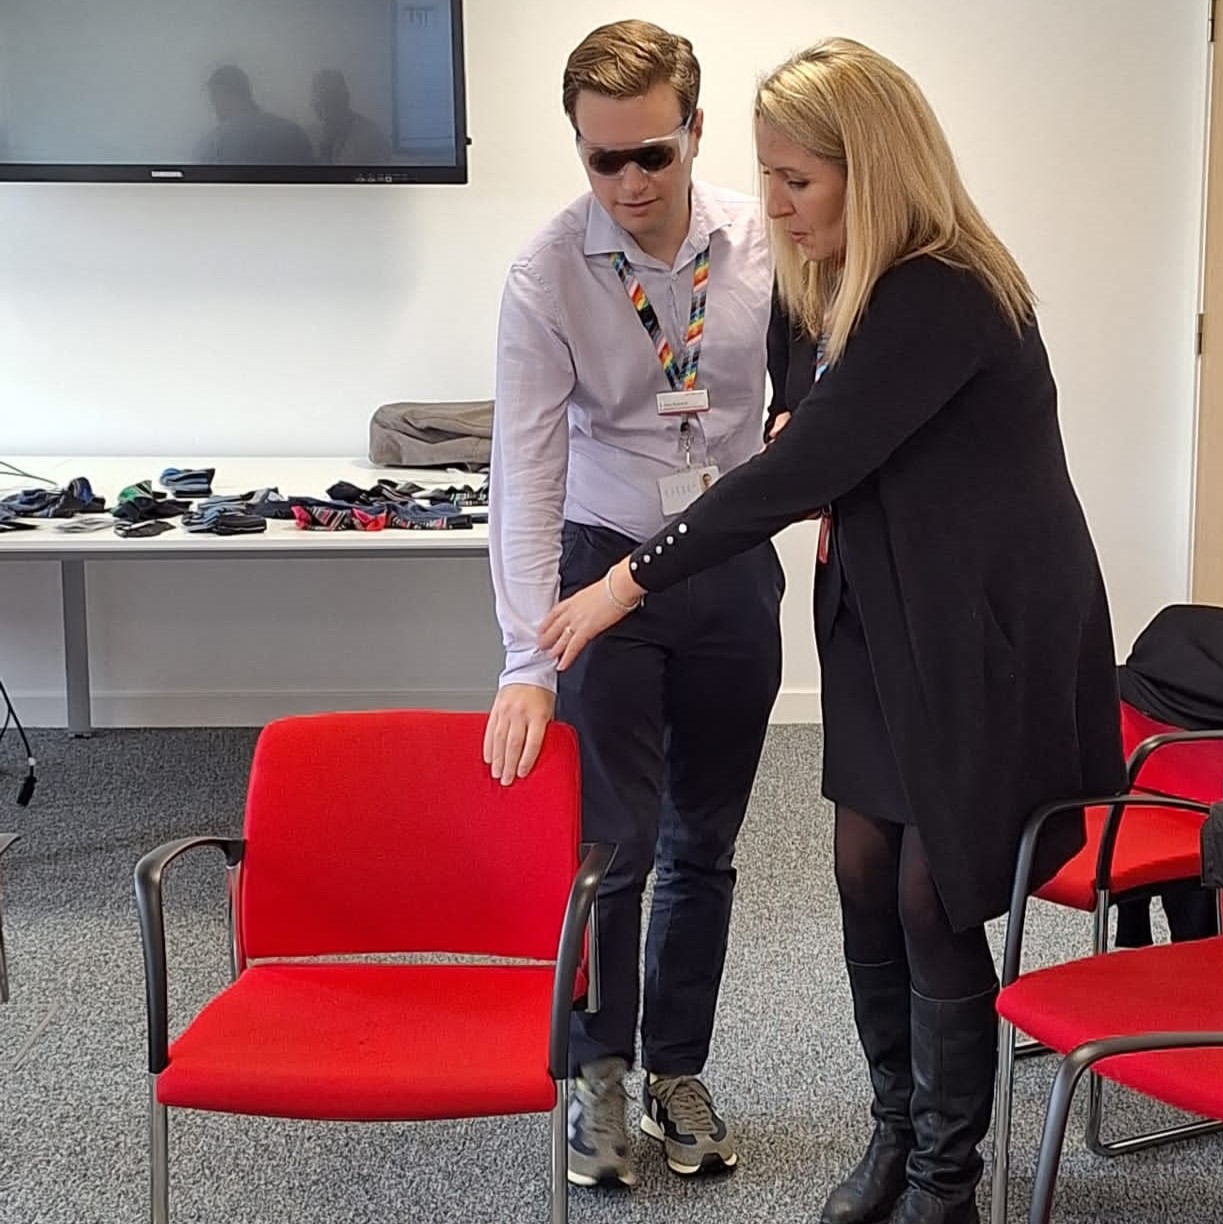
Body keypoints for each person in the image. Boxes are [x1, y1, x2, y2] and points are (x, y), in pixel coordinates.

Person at [540, 37, 1125, 1224]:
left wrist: (622, 585)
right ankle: (895, 1141)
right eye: (764, 178)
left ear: (876, 168)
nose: (775, 206)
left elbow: (788, 465)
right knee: (862, 865)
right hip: (884, 614)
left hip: (984, 635)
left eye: (797, 180)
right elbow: (806, 401)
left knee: (928, 892)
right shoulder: (841, 273)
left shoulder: (942, 288)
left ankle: (944, 1185)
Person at [483, 19, 782, 1191]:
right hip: (602, 563)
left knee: (704, 841)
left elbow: (819, 388)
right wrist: (526, 656)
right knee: (612, 844)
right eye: (603, 161)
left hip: (730, 562)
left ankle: (677, 1067)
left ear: (695, 132)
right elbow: (524, 469)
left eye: (652, 155)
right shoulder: (546, 271)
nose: (629, 185)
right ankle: (598, 1070)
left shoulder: (762, 244)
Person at [194, 65, 314, 165]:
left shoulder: (216, 143)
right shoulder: (292, 131)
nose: (215, 110)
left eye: (215, 101)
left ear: (228, 96)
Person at [311, 69, 391, 165]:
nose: (320, 106)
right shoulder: (312, 134)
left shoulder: (368, 136)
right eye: (317, 99)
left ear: (344, 98)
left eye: (328, 97)